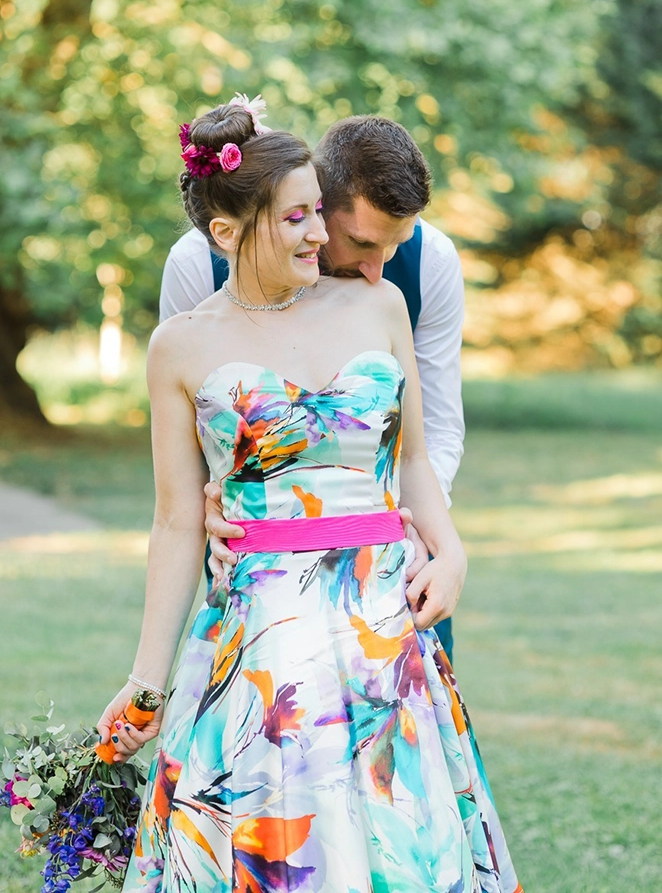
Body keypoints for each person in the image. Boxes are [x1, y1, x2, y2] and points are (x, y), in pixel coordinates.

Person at [97, 99, 522, 892]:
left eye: (316, 216)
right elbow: (177, 516)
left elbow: (419, 458)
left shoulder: (386, 299)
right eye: (299, 218)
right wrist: (147, 682)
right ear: (227, 234)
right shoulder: (182, 335)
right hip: (260, 633)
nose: (322, 238)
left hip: (380, 624)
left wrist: (452, 550)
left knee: (399, 845)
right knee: (274, 846)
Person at [160, 111, 465, 661]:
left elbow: (434, 431)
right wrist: (216, 505)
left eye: (396, 246)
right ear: (320, 200)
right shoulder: (197, 265)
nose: (379, 268)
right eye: (362, 243)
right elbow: (198, 428)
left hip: (395, 556)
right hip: (263, 567)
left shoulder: (430, 264)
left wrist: (426, 536)